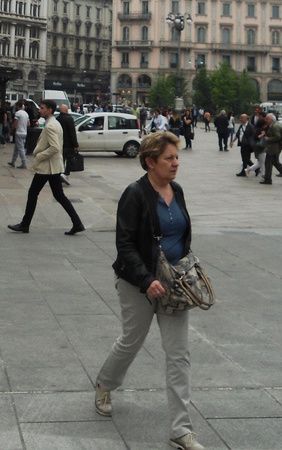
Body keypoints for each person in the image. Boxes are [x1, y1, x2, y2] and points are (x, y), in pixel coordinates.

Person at [93, 131, 205, 450]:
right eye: (169, 158)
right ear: (150, 162)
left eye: (177, 157)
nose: (176, 163)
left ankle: (181, 430)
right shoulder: (135, 194)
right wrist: (146, 279)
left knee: (179, 354)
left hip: (173, 284)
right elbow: (125, 243)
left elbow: (182, 233)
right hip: (137, 284)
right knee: (132, 341)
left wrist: (183, 268)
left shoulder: (177, 190)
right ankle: (105, 384)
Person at [7, 100, 84, 235]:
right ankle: (77, 223)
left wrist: (39, 155)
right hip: (52, 166)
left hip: (47, 167)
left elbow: (54, 147)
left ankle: (25, 225)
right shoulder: (55, 123)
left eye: (42, 108)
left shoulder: (51, 126)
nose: (39, 110)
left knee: (33, 193)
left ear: (50, 110)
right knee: (59, 195)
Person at [259, 113, 282, 185]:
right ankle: (268, 178)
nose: (266, 120)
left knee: (274, 163)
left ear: (271, 119)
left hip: (273, 148)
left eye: (267, 119)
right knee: (270, 163)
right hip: (273, 148)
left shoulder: (275, 126)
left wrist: (269, 139)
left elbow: (278, 136)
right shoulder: (274, 125)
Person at [56, 102, 79, 186]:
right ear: (66, 110)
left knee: (61, 160)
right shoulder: (69, 119)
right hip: (68, 144)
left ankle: (60, 175)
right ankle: (65, 174)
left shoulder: (57, 119)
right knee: (70, 160)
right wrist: (75, 145)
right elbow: (72, 132)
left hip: (59, 143)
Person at [7, 101, 29, 169]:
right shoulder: (26, 114)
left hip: (19, 132)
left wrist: (11, 131)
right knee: (17, 148)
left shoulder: (18, 113)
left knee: (20, 148)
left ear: (17, 106)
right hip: (24, 132)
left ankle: (24, 163)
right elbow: (28, 124)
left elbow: (15, 123)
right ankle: (13, 161)